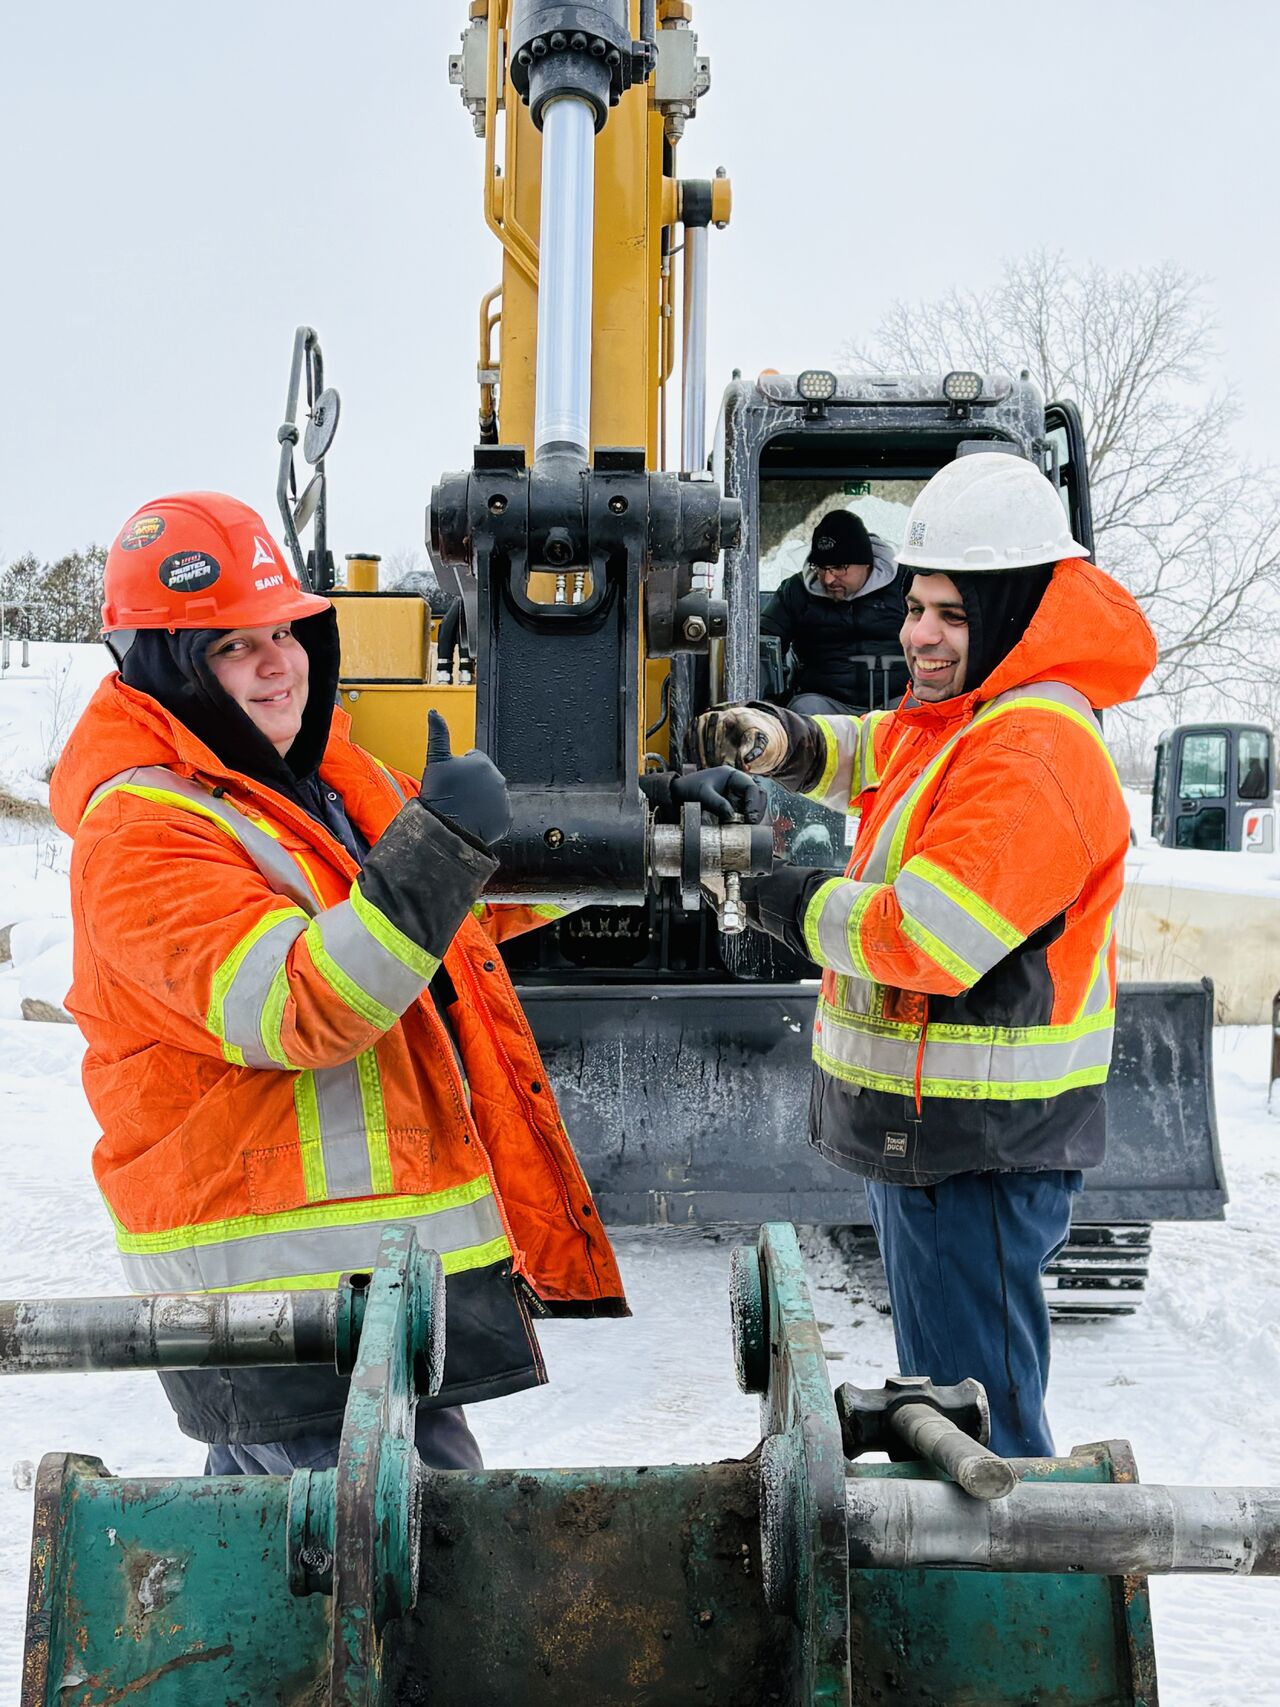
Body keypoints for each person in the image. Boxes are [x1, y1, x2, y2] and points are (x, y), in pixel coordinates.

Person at [50, 491, 628, 1475]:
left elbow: (453, 916)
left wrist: (648, 838)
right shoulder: (142, 834)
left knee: (285, 1562)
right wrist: (439, 845)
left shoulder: (305, 783)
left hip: (347, 1296)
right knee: (421, 1576)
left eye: (285, 632)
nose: (278, 665)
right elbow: (302, 1005)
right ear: (161, 667)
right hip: (280, 1302)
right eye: (232, 647)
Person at [691, 452, 1156, 1456]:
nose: (917, 635)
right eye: (913, 608)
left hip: (975, 1151)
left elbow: (923, 939)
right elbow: (884, 746)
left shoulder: (1033, 751)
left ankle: (1011, 1602)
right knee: (950, 1418)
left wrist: (780, 899)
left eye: (948, 615)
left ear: (1011, 613)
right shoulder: (972, 715)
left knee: (978, 1440)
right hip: (937, 1140)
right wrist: (777, 742)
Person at [761, 508, 909, 715]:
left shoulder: (906, 584)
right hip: (825, 702)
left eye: (839, 567)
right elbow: (765, 644)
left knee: (922, 712)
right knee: (803, 711)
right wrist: (774, 698)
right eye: (821, 568)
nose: (828, 579)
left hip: (898, 698)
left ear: (866, 562)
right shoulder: (797, 591)